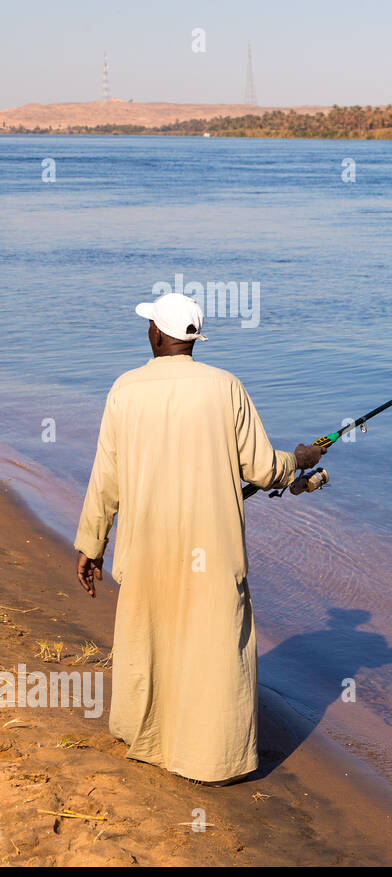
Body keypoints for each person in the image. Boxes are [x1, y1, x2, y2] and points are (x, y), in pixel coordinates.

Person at [73, 293, 322, 784]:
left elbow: (107, 478)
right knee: (211, 644)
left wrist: (91, 544)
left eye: (149, 325)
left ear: (157, 334)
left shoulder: (125, 389)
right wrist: (299, 459)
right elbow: (263, 468)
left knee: (151, 635)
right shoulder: (224, 387)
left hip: (147, 544)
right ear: (190, 339)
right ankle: (211, 760)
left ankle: (147, 739)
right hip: (210, 545)